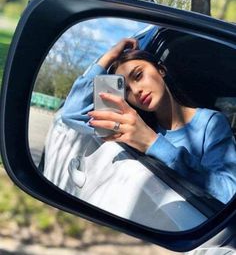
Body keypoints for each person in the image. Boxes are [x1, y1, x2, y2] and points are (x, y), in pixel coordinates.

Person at [61, 38, 236, 204]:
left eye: (138, 75)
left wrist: (151, 142)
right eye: (126, 90)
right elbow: (71, 114)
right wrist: (109, 57)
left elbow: (227, 193)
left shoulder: (210, 123)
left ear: (161, 70)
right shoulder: (131, 125)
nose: (136, 91)